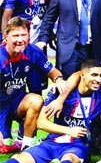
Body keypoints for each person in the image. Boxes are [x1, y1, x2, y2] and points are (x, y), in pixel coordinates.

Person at [0, 59, 101, 163]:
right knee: (20, 158)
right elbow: (41, 123)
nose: (98, 80)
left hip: (78, 145)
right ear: (82, 75)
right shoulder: (60, 92)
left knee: (69, 159)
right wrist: (69, 131)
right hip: (52, 142)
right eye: (94, 75)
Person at [0, 17, 68, 153]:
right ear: (6, 36)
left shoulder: (32, 51)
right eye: (15, 35)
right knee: (3, 145)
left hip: (16, 101)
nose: (20, 40)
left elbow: (53, 72)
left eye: (23, 35)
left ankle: (26, 145)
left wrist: (59, 80)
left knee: (36, 100)